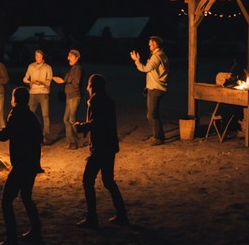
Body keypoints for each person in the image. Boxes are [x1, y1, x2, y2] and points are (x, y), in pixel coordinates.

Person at [0, 86, 44, 245]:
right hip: (32, 164)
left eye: (13, 96)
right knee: (26, 197)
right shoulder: (31, 116)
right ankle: (36, 231)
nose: (11, 99)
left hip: (21, 165)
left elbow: (4, 136)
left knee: (6, 201)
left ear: (15, 99)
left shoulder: (16, 115)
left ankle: (11, 239)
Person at [74, 73, 128, 228]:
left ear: (93, 86)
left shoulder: (96, 100)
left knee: (88, 180)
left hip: (101, 147)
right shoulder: (106, 99)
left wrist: (82, 126)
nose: (87, 87)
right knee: (109, 181)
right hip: (109, 146)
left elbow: (97, 122)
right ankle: (122, 214)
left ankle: (92, 217)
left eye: (89, 84)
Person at [130, 35, 169, 145]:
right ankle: (157, 136)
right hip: (157, 87)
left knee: (152, 114)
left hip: (155, 88)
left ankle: (158, 138)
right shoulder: (162, 54)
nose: (149, 45)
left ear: (156, 44)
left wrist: (137, 61)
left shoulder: (156, 56)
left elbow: (146, 68)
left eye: (151, 43)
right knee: (152, 114)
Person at [52, 49, 83, 149]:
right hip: (70, 96)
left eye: (70, 56)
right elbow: (68, 79)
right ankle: (71, 141)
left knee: (71, 119)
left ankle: (76, 140)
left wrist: (67, 79)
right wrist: (61, 80)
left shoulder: (77, 68)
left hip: (74, 96)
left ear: (76, 57)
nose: (68, 58)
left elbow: (76, 81)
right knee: (66, 119)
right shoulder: (73, 68)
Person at [23, 49, 53, 144]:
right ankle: (29, 135)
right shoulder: (31, 66)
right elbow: (25, 78)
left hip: (43, 93)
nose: (38, 58)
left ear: (42, 57)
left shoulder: (48, 67)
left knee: (45, 115)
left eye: (39, 56)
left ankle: (46, 137)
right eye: (36, 56)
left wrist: (43, 83)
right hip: (33, 93)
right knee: (30, 114)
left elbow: (49, 81)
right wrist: (30, 82)